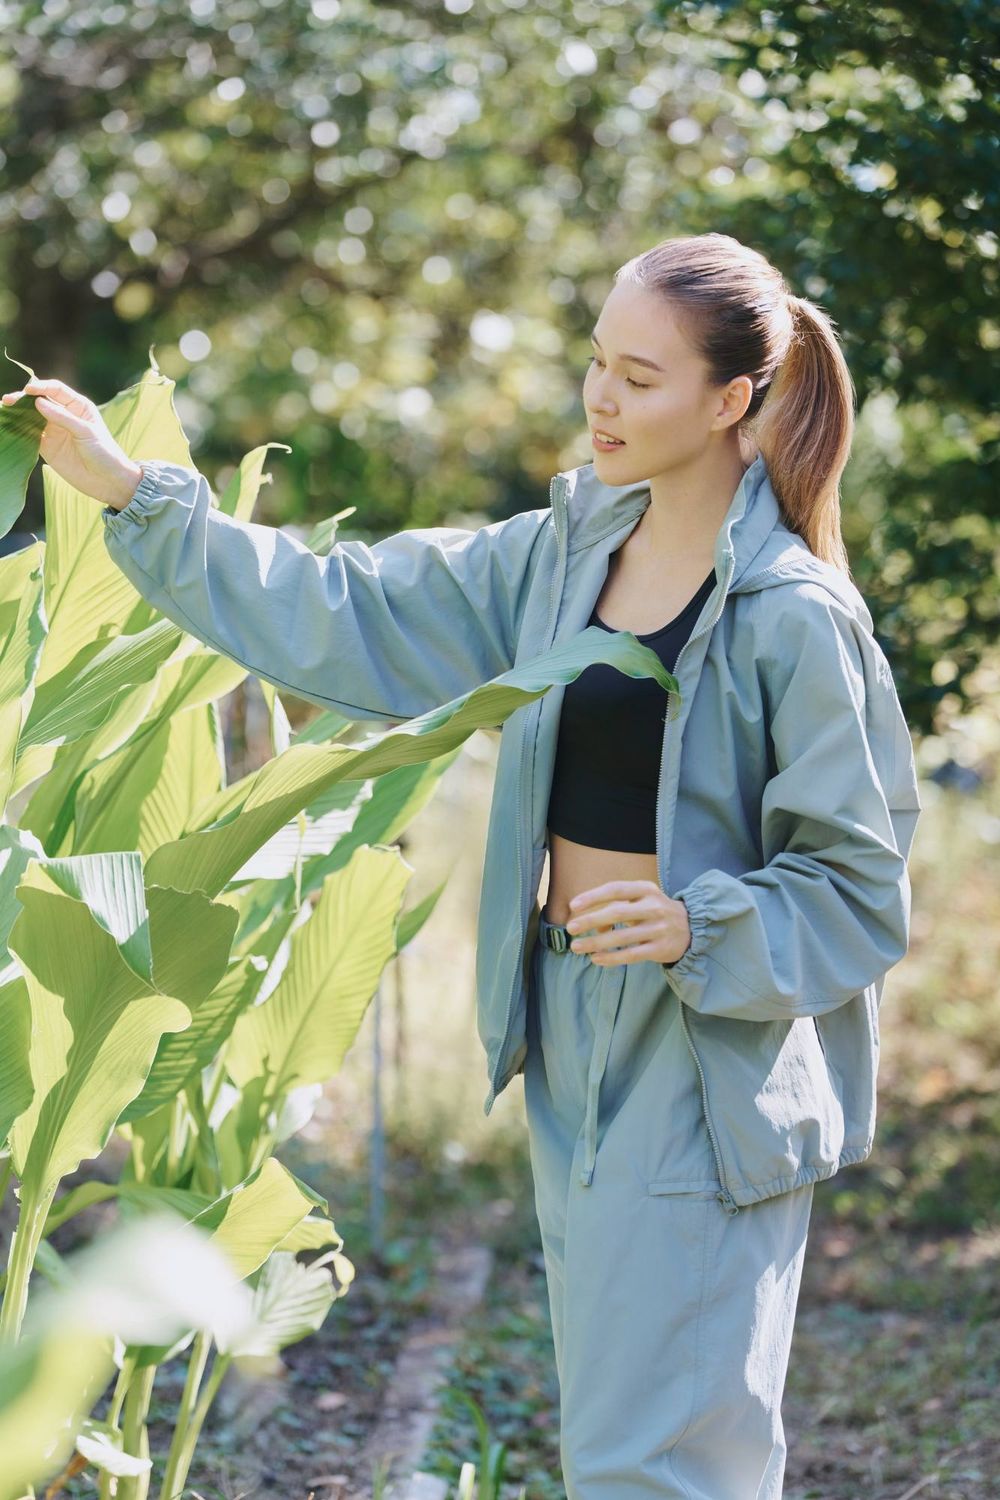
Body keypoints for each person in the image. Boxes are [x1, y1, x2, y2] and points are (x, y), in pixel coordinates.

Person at [3, 231, 921, 1499]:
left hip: (705, 1051)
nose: (601, 398)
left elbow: (861, 888)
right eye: (595, 363)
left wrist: (695, 926)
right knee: (622, 1429)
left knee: (657, 1458)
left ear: (731, 401)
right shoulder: (561, 558)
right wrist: (136, 495)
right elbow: (349, 606)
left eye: (639, 378)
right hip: (568, 1018)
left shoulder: (790, 617)